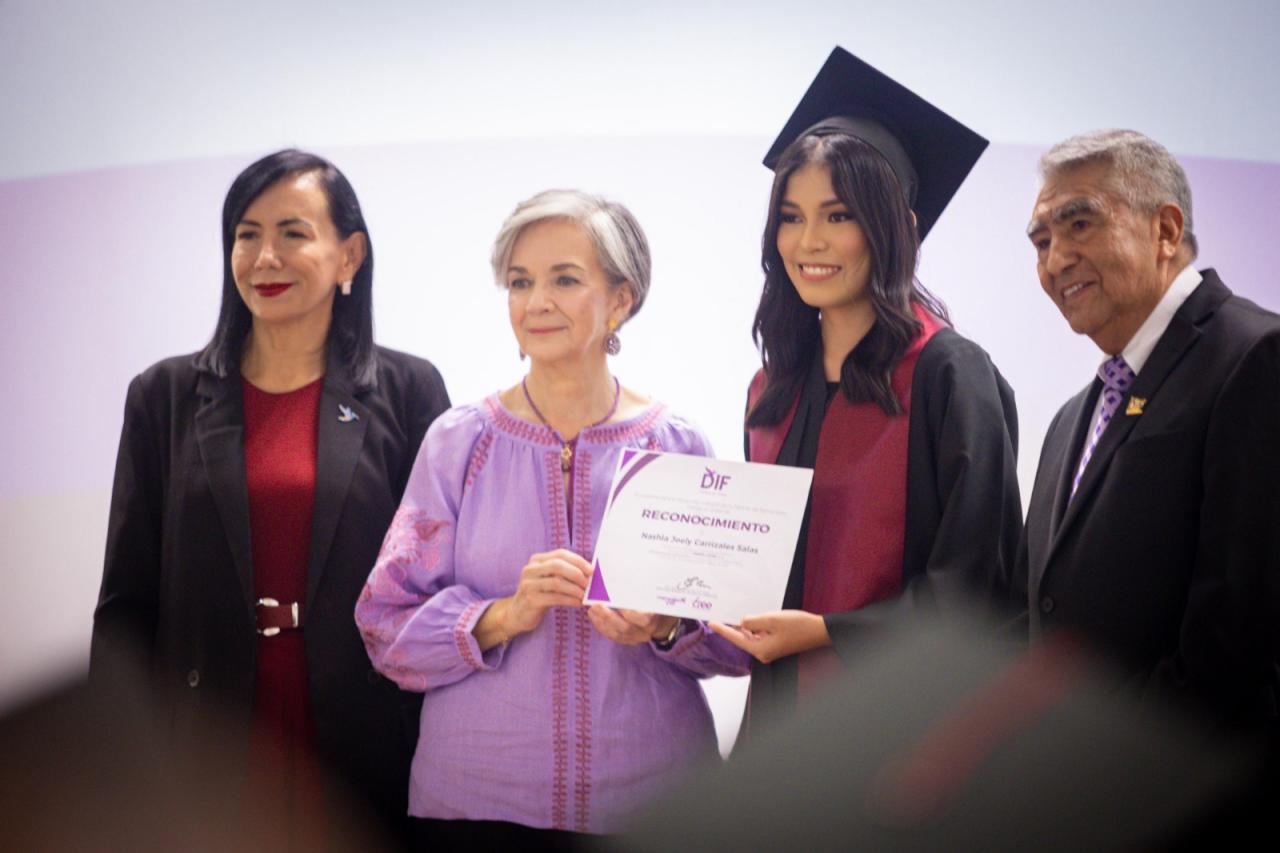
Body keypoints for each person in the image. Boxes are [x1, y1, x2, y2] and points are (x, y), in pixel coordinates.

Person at [355, 189, 749, 844]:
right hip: (475, 803)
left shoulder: (675, 446)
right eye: (520, 281)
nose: (536, 301)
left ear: (621, 299)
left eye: (564, 279)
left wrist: (662, 624)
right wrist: (503, 614)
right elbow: (384, 625)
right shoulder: (458, 442)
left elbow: (736, 642)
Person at [90, 149, 451, 843]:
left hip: (364, 729)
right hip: (206, 731)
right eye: (246, 234)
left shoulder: (409, 391)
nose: (264, 258)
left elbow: (437, 588)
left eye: (292, 233)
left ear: (349, 256)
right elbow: (126, 604)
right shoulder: (164, 396)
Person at [710, 48, 1022, 734]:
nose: (808, 242)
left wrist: (826, 632)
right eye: (791, 216)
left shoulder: (947, 373)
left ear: (895, 226)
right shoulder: (771, 390)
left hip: (903, 737)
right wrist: (673, 612)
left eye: (838, 215)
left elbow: (978, 592)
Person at [1018, 129, 1280, 725]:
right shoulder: (1069, 421)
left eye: (1079, 224)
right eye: (1042, 241)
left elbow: (1234, 640)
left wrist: (1102, 755)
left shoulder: (1256, 357)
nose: (1056, 261)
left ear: (1165, 230)